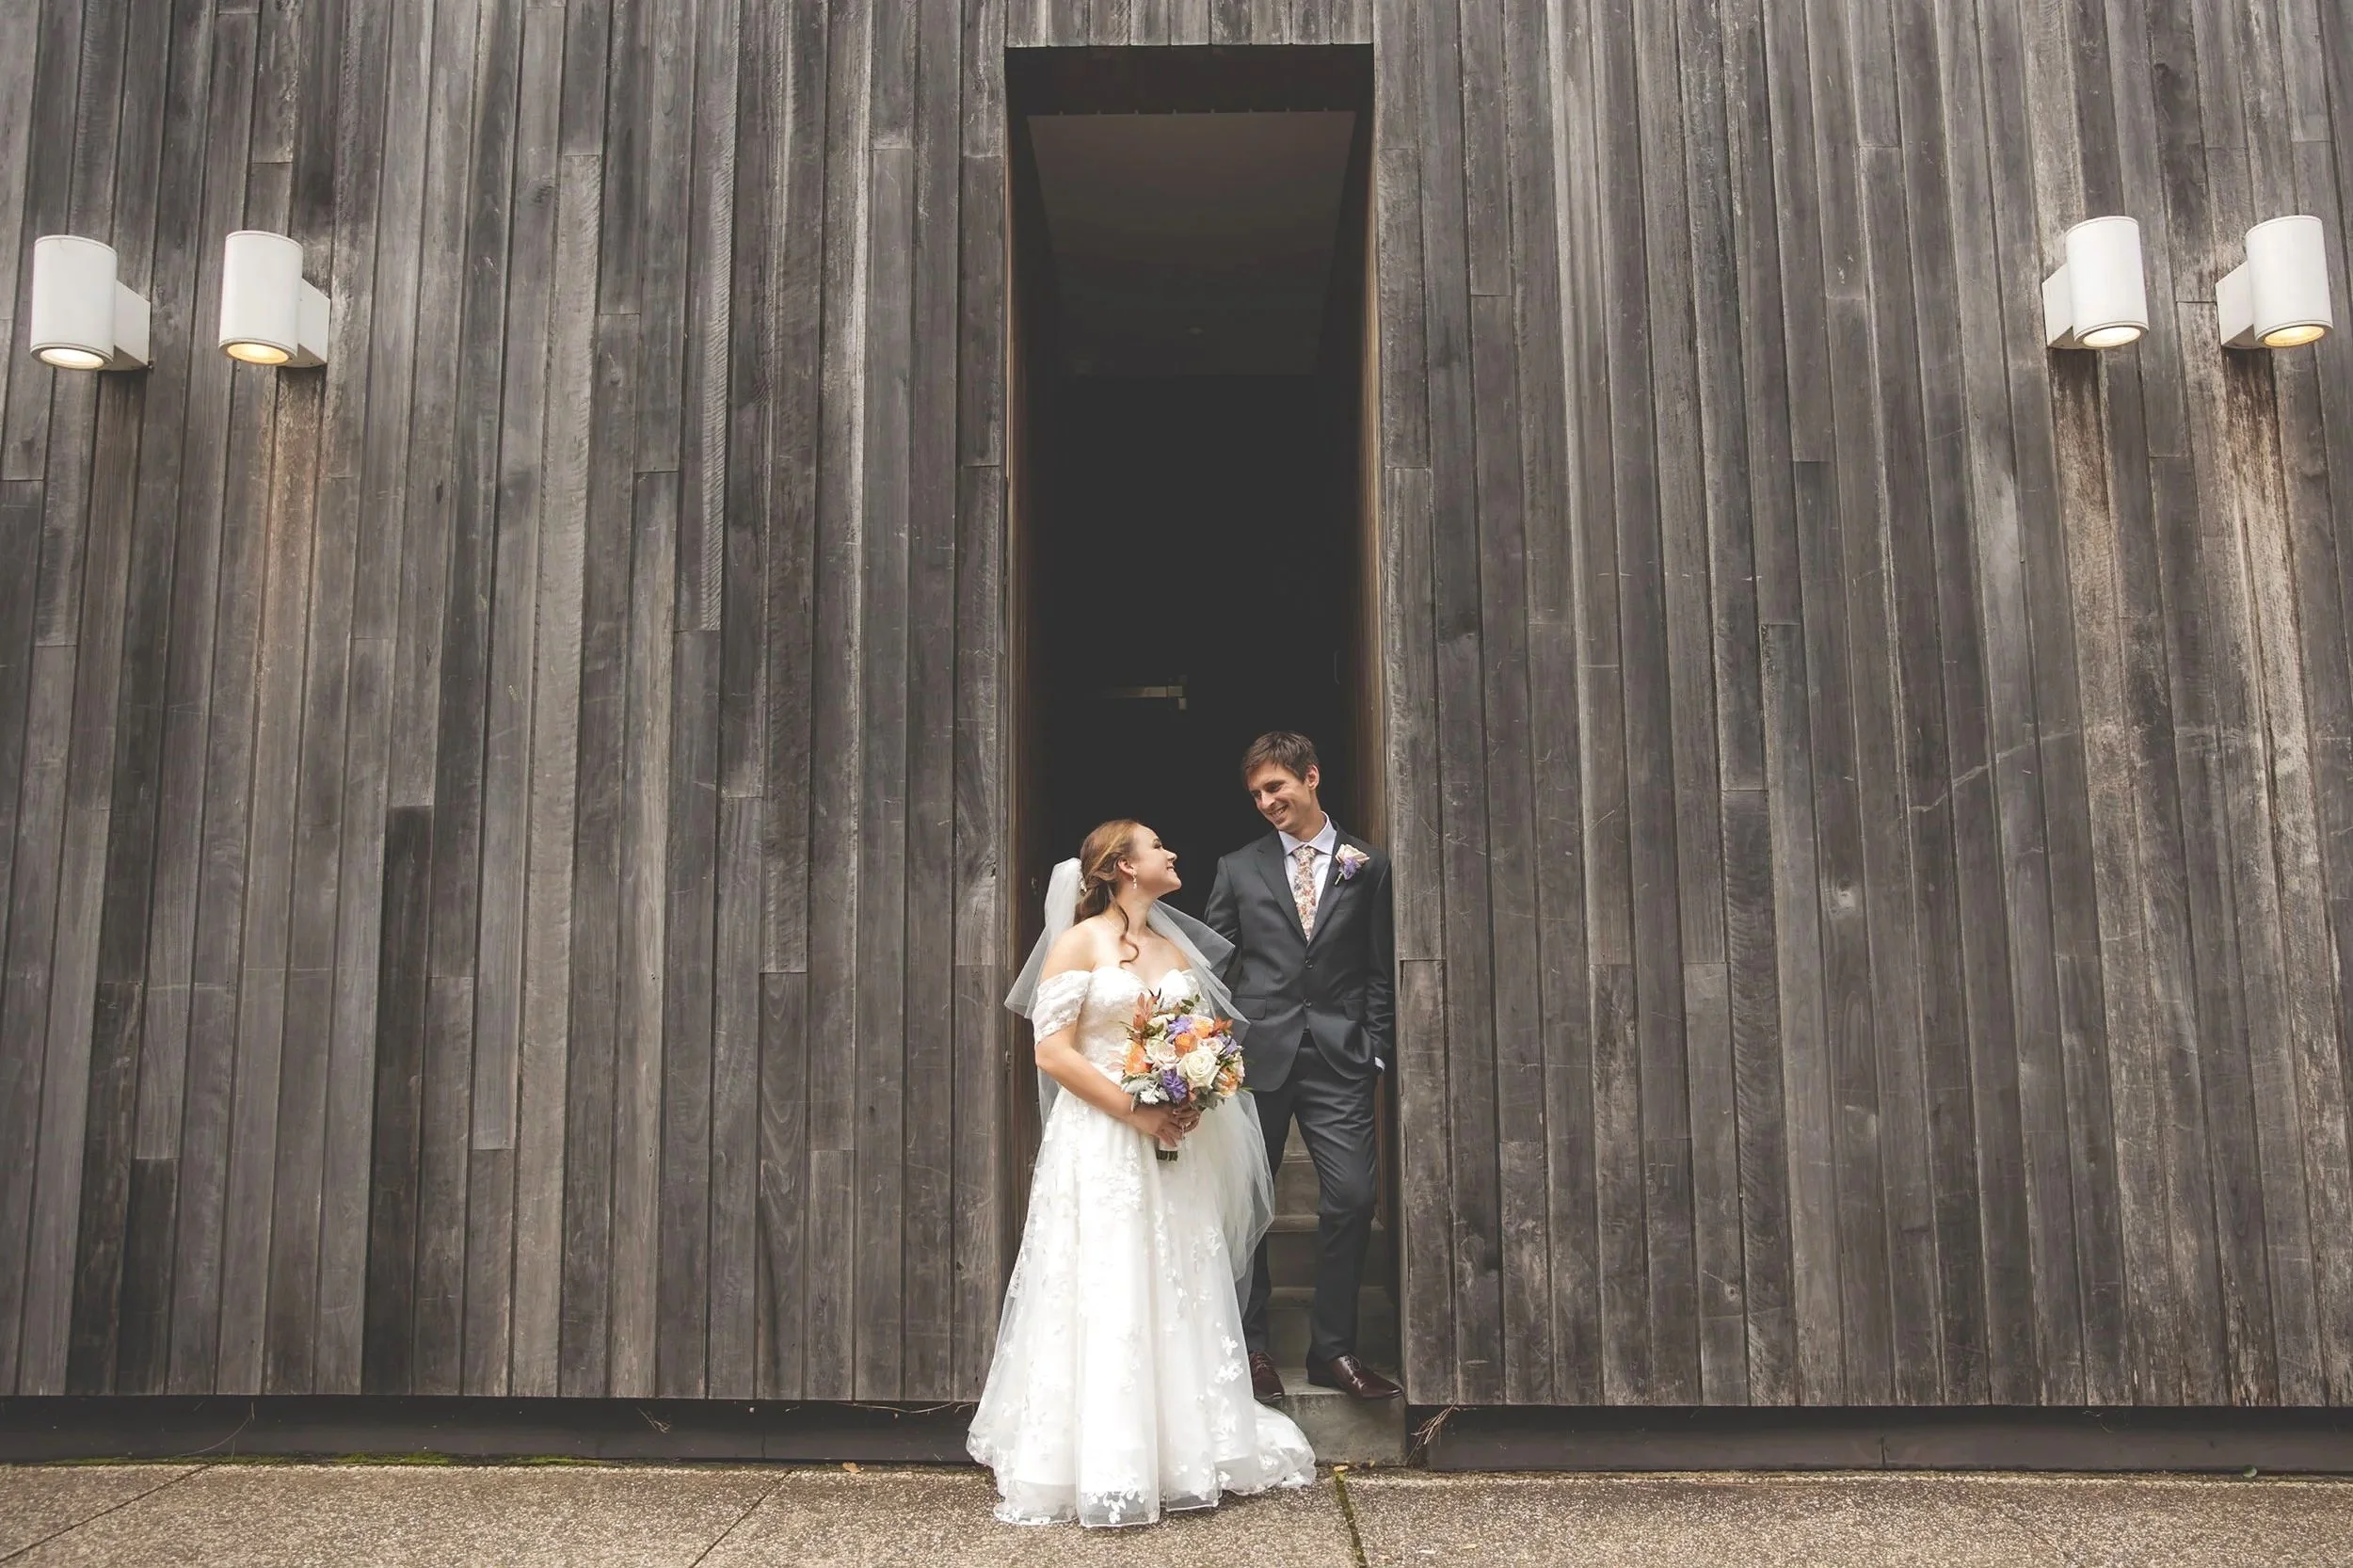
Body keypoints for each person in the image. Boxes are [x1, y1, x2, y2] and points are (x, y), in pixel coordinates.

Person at [968, 820, 1314, 1528]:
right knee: (1108, 1279)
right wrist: (1137, 1110)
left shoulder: (1169, 945)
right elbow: (1053, 1054)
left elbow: (1197, 1037)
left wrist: (1197, 1086)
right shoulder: (1080, 942)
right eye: (1158, 846)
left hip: (1172, 1143)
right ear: (1125, 866)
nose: (1172, 854)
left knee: (1176, 1277)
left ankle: (1189, 1443)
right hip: (1103, 1139)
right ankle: (1105, 1453)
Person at [1204, 732, 1401, 1403]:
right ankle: (1253, 1349)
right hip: (1257, 1057)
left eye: (1275, 788)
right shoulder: (1238, 867)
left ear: (1310, 777)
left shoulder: (1366, 864)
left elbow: (1379, 964)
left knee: (1351, 1199)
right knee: (1251, 1208)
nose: (1266, 802)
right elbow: (1216, 968)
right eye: (1256, 794)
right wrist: (1213, 1047)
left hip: (1340, 1057)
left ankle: (1332, 1350)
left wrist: (1375, 1043)